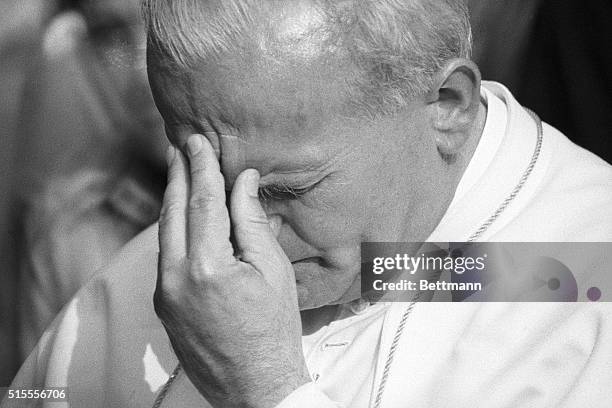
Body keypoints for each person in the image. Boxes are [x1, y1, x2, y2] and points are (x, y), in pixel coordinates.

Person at [4, 1, 612, 407]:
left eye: (286, 190)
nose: (242, 245)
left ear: (447, 105)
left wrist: (264, 388)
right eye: (202, 179)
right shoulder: (164, 269)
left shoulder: (589, 276)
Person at [16, 0, 166, 359]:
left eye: (167, 26)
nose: (142, 71)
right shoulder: (68, 226)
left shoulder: (305, 203)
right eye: (111, 38)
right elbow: (40, 393)